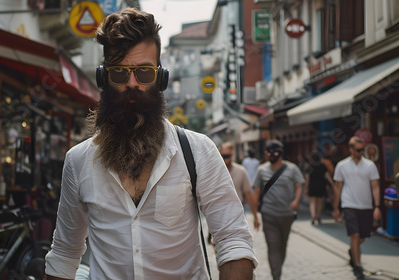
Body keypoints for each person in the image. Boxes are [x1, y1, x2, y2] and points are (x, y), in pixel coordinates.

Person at [44, 8, 257, 280]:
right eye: (119, 73)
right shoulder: (78, 161)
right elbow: (64, 253)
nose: (132, 84)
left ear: (161, 77)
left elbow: (232, 240)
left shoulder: (199, 150)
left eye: (144, 73)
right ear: (103, 78)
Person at [252, 140, 304, 280]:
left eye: (272, 153)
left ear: (280, 153)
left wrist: (297, 200)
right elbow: (256, 192)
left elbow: (299, 185)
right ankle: (276, 275)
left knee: (282, 246)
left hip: (287, 215)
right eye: (267, 153)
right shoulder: (262, 170)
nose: (270, 155)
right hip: (269, 214)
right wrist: (255, 216)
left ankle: (277, 271)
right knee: (273, 245)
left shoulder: (292, 169)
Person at [332, 136, 381, 280]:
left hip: (366, 206)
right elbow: (338, 187)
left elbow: (375, 186)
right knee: (354, 235)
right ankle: (358, 267)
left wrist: (377, 206)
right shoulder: (342, 165)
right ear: (351, 149)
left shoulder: (370, 165)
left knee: (362, 237)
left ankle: (353, 251)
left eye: (363, 149)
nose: (361, 152)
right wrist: (336, 207)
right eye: (358, 150)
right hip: (349, 205)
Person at [219, 142, 258, 211]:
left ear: (232, 155)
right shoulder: (214, 172)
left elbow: (247, 193)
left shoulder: (241, 170)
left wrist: (255, 216)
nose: (224, 159)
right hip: (219, 210)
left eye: (227, 156)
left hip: (237, 210)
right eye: (222, 155)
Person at [304, 153, 334, 225]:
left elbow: (307, 178)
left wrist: (306, 188)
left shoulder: (309, 166)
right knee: (319, 201)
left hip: (312, 186)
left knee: (312, 202)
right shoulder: (322, 166)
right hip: (321, 185)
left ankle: (313, 216)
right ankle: (318, 216)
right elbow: (327, 176)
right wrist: (332, 184)